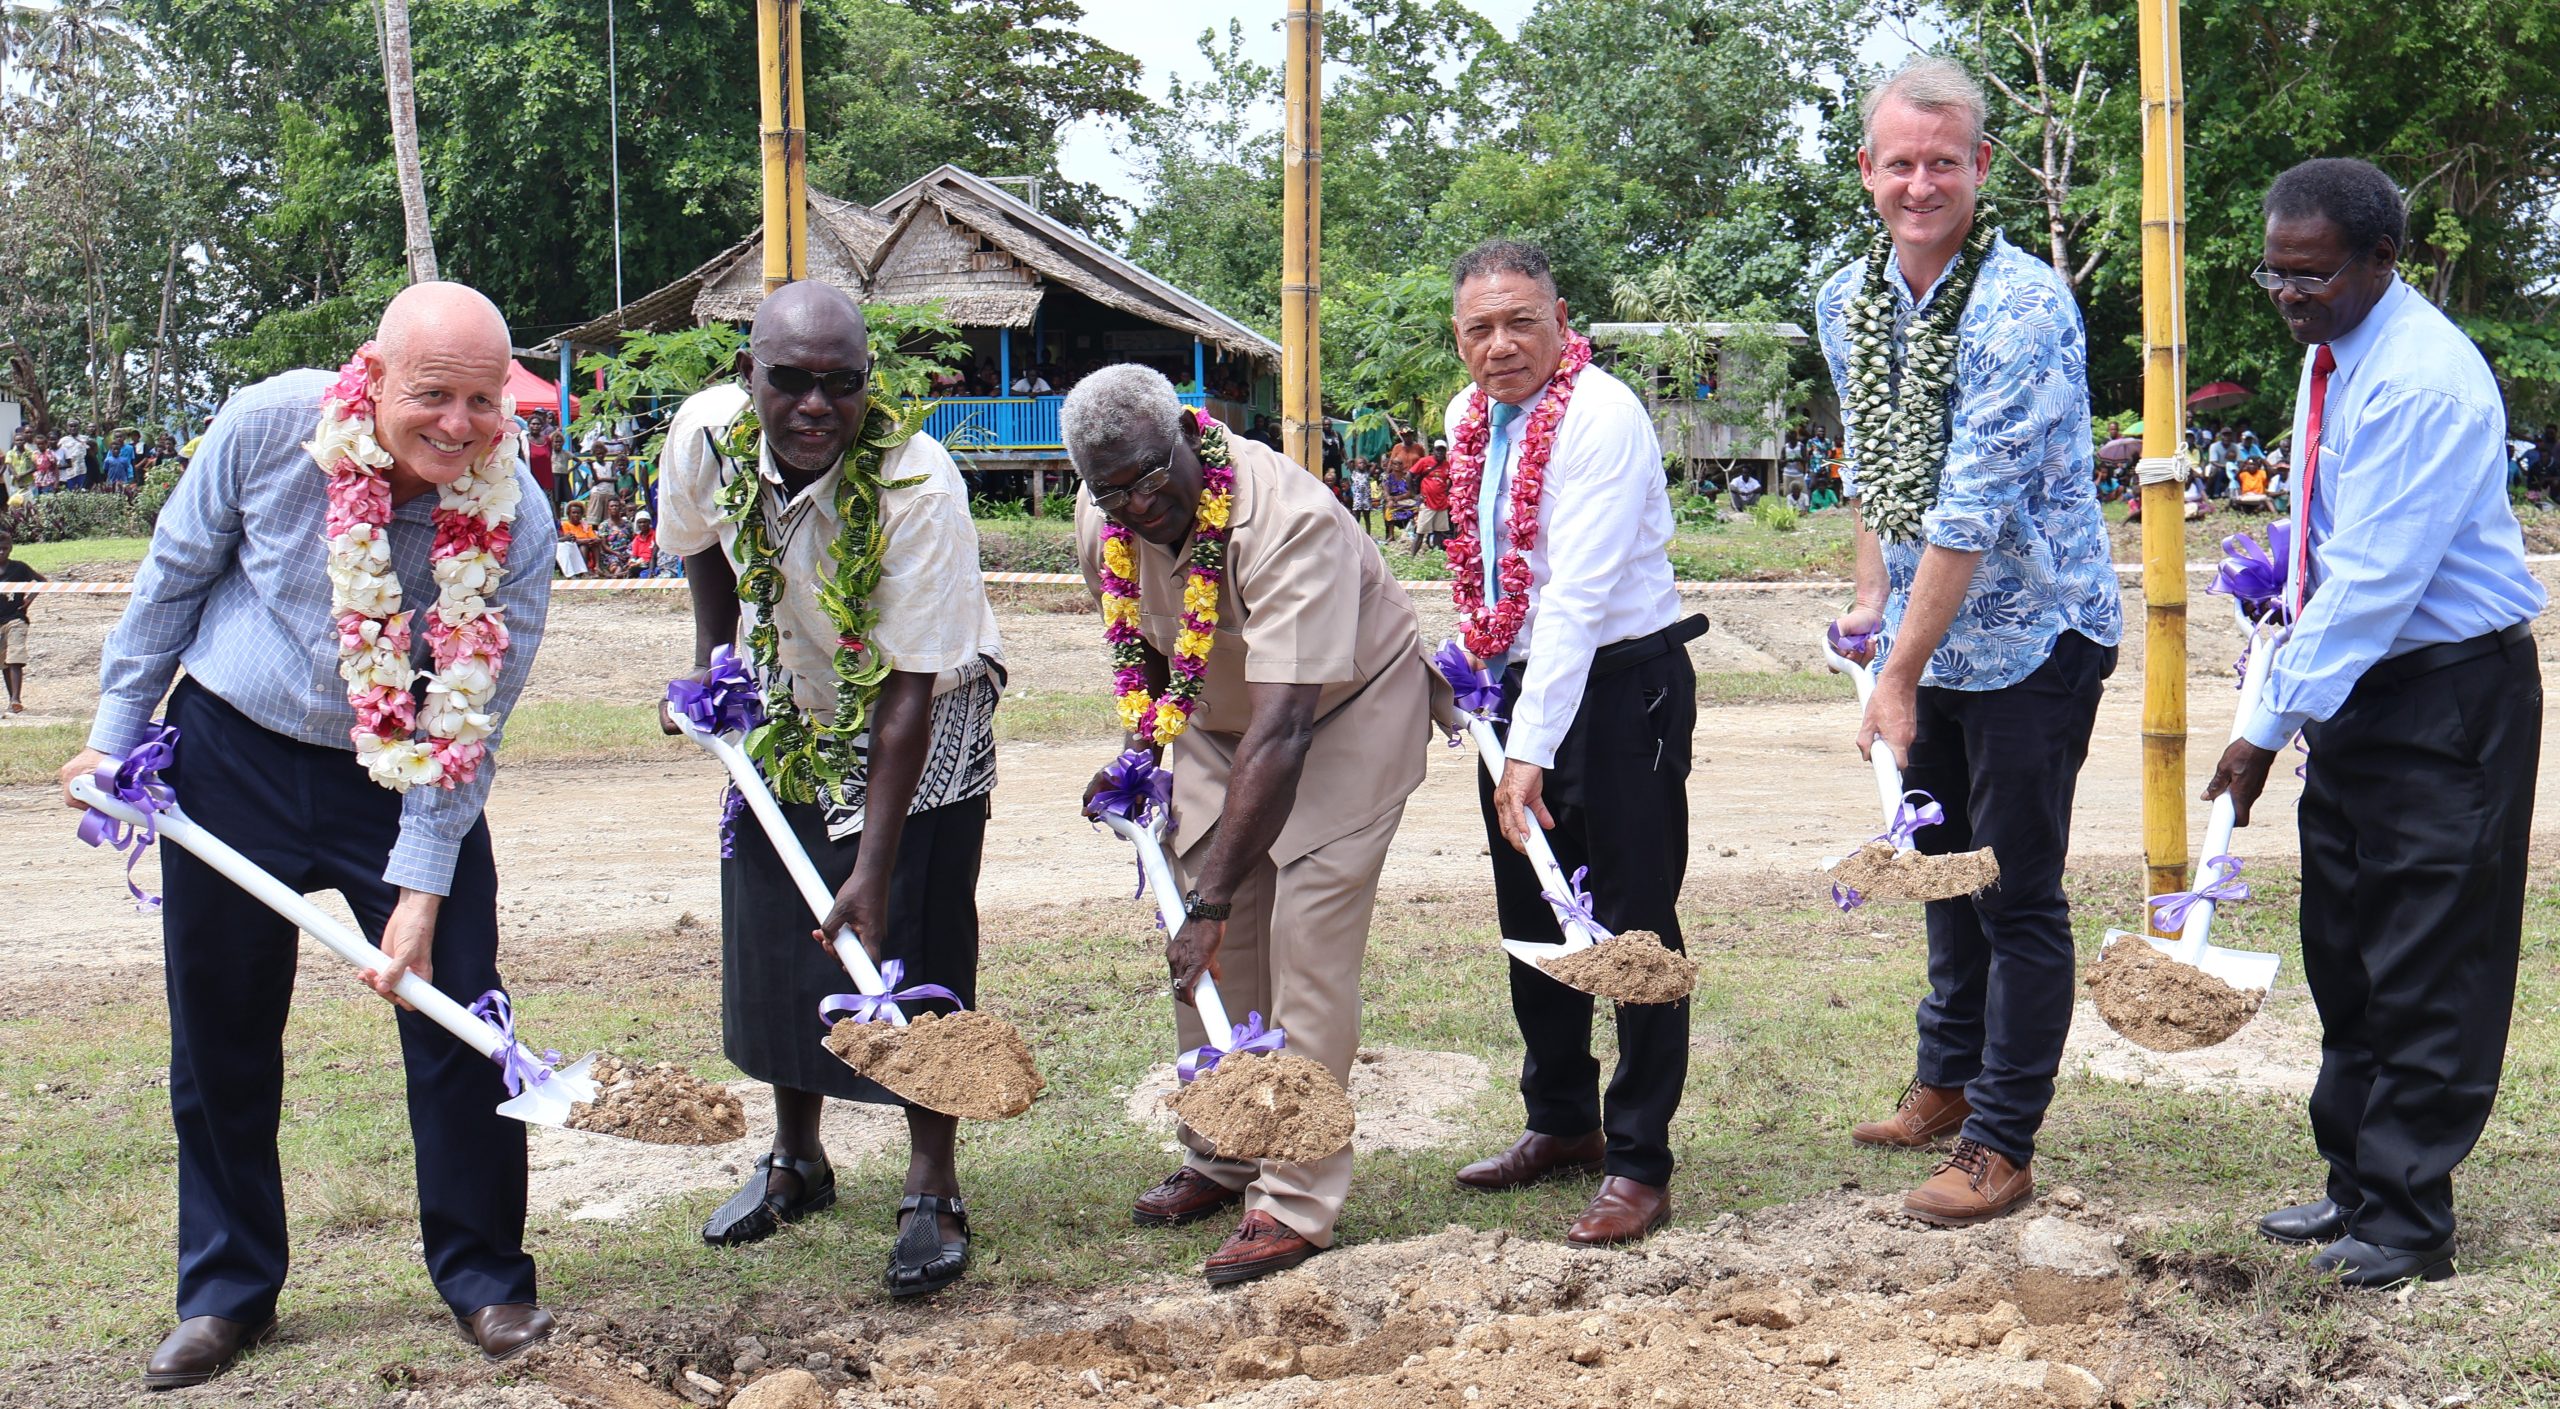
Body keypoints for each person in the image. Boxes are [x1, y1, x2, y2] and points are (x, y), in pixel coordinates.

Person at [55, 282, 559, 1387]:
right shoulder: (266, 427)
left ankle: (485, 1275)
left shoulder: (515, 520)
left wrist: (422, 886)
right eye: (433, 394)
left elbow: (476, 715)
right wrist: (111, 740)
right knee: (222, 1027)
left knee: (460, 1013)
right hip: (231, 751)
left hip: (409, 770)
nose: (459, 425)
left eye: (483, 400)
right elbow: (171, 583)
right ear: (371, 376)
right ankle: (227, 1291)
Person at [2205, 158, 2545, 1289]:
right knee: (2347, 945)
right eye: (2275, 274)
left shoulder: (2419, 383)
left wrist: (2264, 724)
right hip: (2361, 688)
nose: (2290, 295)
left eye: (2310, 275)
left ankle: (2407, 1219)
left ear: (2379, 261)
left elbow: (2371, 583)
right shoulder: (2334, 360)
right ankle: (2354, 1181)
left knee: (2427, 954)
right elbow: (2325, 557)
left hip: (2443, 694)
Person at [1816, 57, 2121, 1227]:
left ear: (1980, 167)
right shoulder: (1846, 296)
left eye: (1943, 161)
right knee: (1944, 876)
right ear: (1868, 171)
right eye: (1899, 162)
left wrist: (1893, 675)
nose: (1920, 182)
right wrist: (1870, 607)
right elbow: (1876, 467)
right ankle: (1943, 1081)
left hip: (2035, 636)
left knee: (2015, 891)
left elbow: (1967, 506)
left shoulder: (2023, 304)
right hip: (1923, 633)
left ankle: (2001, 1138)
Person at [657, 282, 1006, 1299]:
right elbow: (699, 553)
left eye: (840, 385)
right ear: (746, 376)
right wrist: (716, 666)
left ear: (868, 386)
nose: (816, 406)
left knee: (914, 931)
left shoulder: (919, 487)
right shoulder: (704, 436)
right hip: (783, 687)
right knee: (777, 930)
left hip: (926, 705)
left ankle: (931, 1178)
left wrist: (871, 864)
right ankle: (797, 1158)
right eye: (791, 382)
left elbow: (905, 695)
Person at [1068, 363, 1443, 1284]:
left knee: (1303, 942)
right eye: (1111, 490)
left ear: (1187, 440)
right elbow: (1144, 654)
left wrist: (1214, 898)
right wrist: (1142, 764)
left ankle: (1295, 1196)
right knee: (1207, 948)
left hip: (1343, 712)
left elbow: (1284, 728)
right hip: (1215, 718)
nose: (1137, 506)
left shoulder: (1290, 520)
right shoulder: (1104, 515)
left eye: (1150, 480)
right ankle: (1226, 1147)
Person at [1439, 239, 1704, 1246]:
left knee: (1633, 930)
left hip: (1619, 684)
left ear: (1561, 320)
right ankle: (1561, 1122)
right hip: (1519, 692)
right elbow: (1493, 586)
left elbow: (1577, 601)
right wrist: (1461, 678)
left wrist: (1527, 753)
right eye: (1479, 328)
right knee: (1535, 909)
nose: (1500, 345)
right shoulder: (1467, 419)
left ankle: (1640, 1160)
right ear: (1458, 337)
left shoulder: (1603, 415)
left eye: (1521, 322)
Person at [0, 527, 43, 712]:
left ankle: (16, 700)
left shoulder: (19, 568)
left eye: (6, 548)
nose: (2, 552)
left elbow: (42, 581)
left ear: (11, 548)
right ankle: (11, 699)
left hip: (15, 618)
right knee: (4, 662)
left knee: (15, 656)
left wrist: (28, 600)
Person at [1415, 453, 1452, 554]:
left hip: (1442, 504)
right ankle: (1412, 557)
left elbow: (1452, 479)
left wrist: (1447, 491)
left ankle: (1436, 554)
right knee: (1420, 532)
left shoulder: (1447, 465)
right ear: (1434, 450)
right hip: (1428, 503)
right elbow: (1410, 475)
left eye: (1442, 450)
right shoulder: (1424, 461)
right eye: (1438, 449)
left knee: (1439, 532)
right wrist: (1415, 494)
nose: (1440, 452)